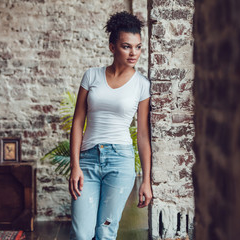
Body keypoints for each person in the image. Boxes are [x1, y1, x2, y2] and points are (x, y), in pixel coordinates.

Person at [68, 11, 152, 240]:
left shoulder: (142, 85)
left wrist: (146, 180)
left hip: (120, 160)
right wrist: (75, 165)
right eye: (127, 46)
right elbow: (77, 122)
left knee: (105, 231)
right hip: (88, 160)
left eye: (138, 47)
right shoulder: (91, 76)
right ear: (112, 47)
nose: (134, 53)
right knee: (81, 233)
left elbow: (143, 135)